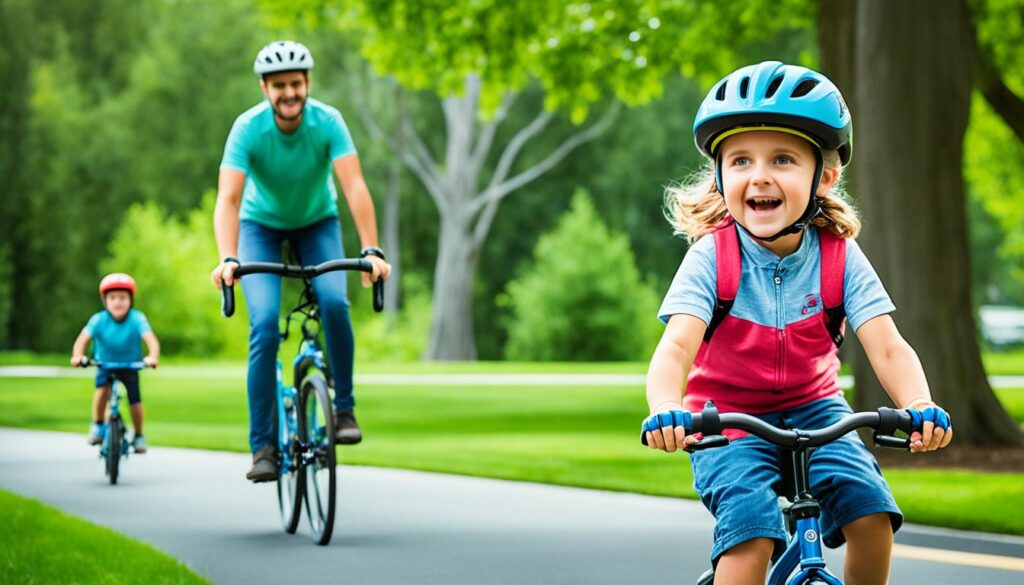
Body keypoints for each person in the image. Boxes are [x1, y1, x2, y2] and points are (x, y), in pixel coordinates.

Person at [642, 61, 953, 584]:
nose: (759, 175)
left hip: (818, 409)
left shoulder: (839, 256)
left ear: (824, 177)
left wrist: (917, 405)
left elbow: (889, 347)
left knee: (872, 515)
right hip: (728, 421)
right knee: (751, 533)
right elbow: (675, 349)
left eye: (782, 159)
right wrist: (668, 409)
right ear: (720, 177)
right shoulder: (711, 258)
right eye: (740, 160)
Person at [210, 40, 391, 483]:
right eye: (279, 86)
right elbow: (228, 200)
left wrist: (371, 248)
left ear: (307, 83)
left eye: (296, 83)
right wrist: (228, 258)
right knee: (265, 323)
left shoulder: (328, 122)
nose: (289, 93)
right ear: (264, 88)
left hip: (317, 223)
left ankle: (344, 410)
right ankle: (264, 448)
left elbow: (354, 188)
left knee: (334, 302)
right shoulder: (248, 128)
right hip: (259, 226)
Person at [71, 273, 160, 453]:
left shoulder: (137, 318)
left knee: (135, 401)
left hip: (130, 365)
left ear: (130, 300)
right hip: (105, 364)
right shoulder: (98, 320)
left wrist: (152, 357)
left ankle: (139, 435)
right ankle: (97, 425)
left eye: (122, 298)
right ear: (105, 301)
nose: (118, 302)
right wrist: (77, 356)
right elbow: (82, 341)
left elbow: (152, 341)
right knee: (102, 391)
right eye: (113, 298)